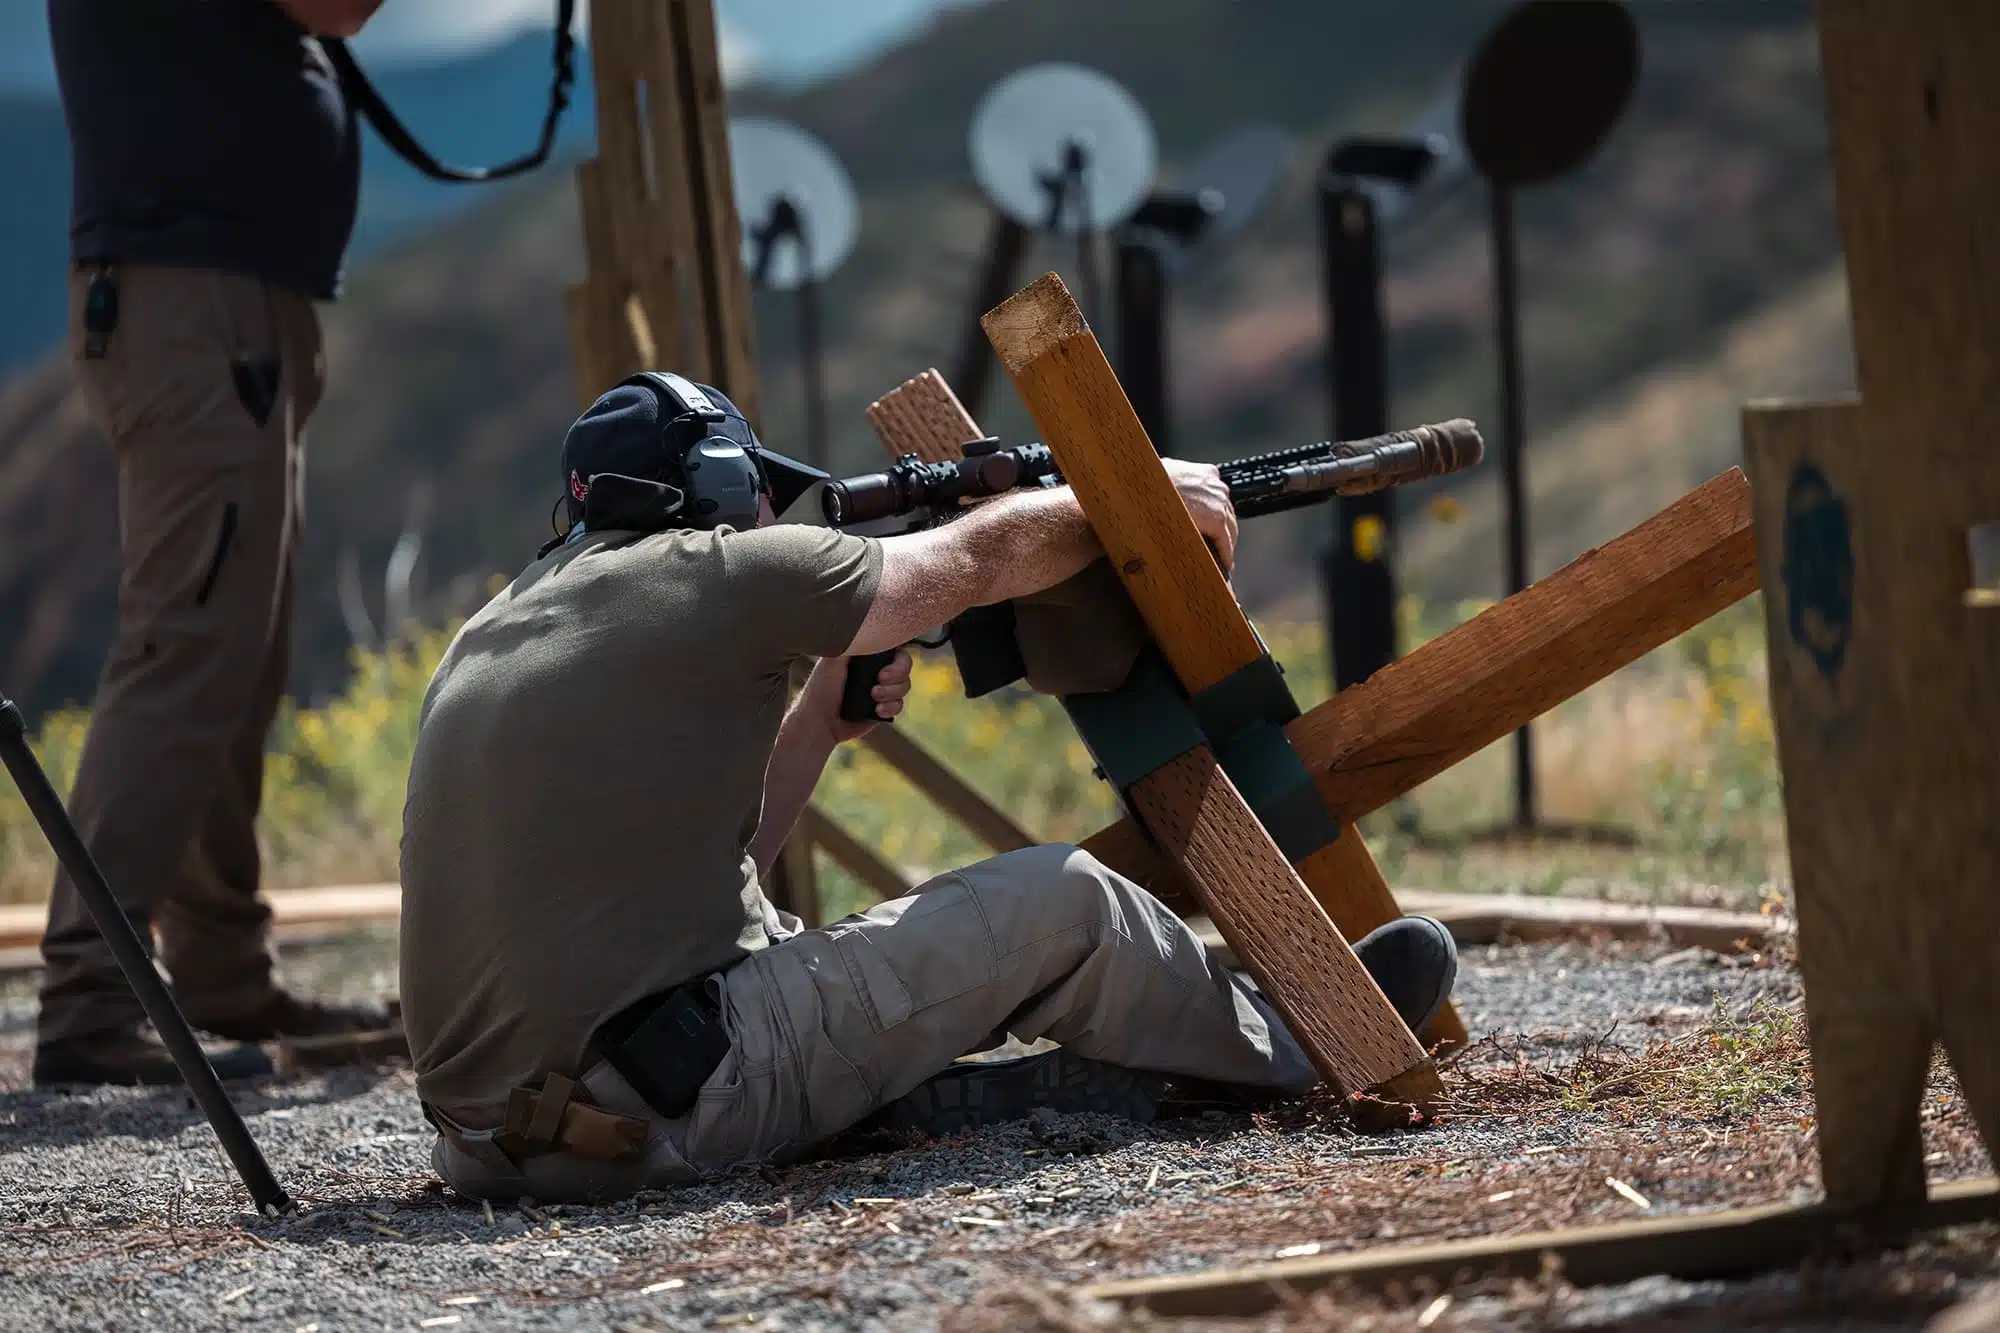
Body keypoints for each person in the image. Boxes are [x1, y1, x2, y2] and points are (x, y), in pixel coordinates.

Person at [398, 372, 1460, 1203]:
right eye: (752, 484)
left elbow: (697, 885)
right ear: (717, 478)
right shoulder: (715, 574)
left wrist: (823, 715)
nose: (766, 506)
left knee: (772, 928)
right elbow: (967, 566)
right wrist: (1123, 497)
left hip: (508, 1145)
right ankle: (1298, 1046)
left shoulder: (497, 628)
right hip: (665, 1109)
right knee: (1064, 900)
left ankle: (966, 1088)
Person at [33, 0, 401, 1088]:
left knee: (234, 646)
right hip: (195, 302)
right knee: (191, 645)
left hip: (220, 297)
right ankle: (92, 993)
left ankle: (218, 971)